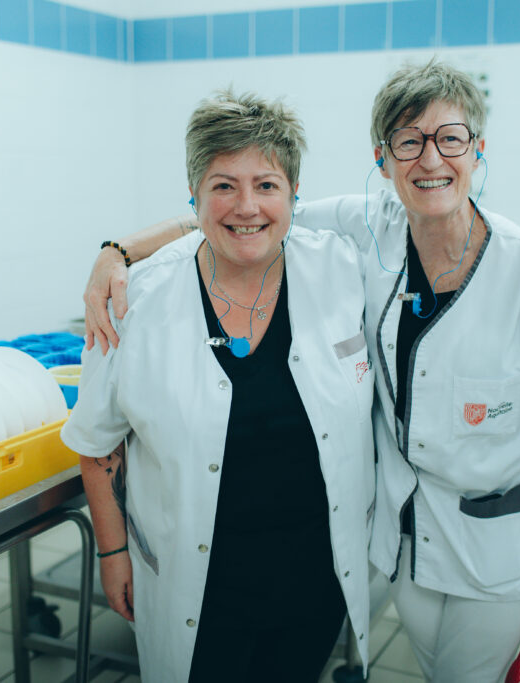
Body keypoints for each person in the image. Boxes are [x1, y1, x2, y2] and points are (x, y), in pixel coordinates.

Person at [82, 60, 520, 682]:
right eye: (409, 141)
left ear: (478, 148)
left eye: (450, 138)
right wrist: (116, 251)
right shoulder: (370, 230)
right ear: (383, 158)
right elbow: (244, 213)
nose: (431, 159)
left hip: (496, 541)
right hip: (404, 541)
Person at [60, 90, 375, 683]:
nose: (246, 206)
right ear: (194, 194)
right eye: (223, 185)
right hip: (195, 590)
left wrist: (117, 245)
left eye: (266, 185)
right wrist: (112, 551)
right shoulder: (135, 298)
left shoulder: (342, 267)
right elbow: (97, 445)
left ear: (294, 194)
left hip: (315, 578)